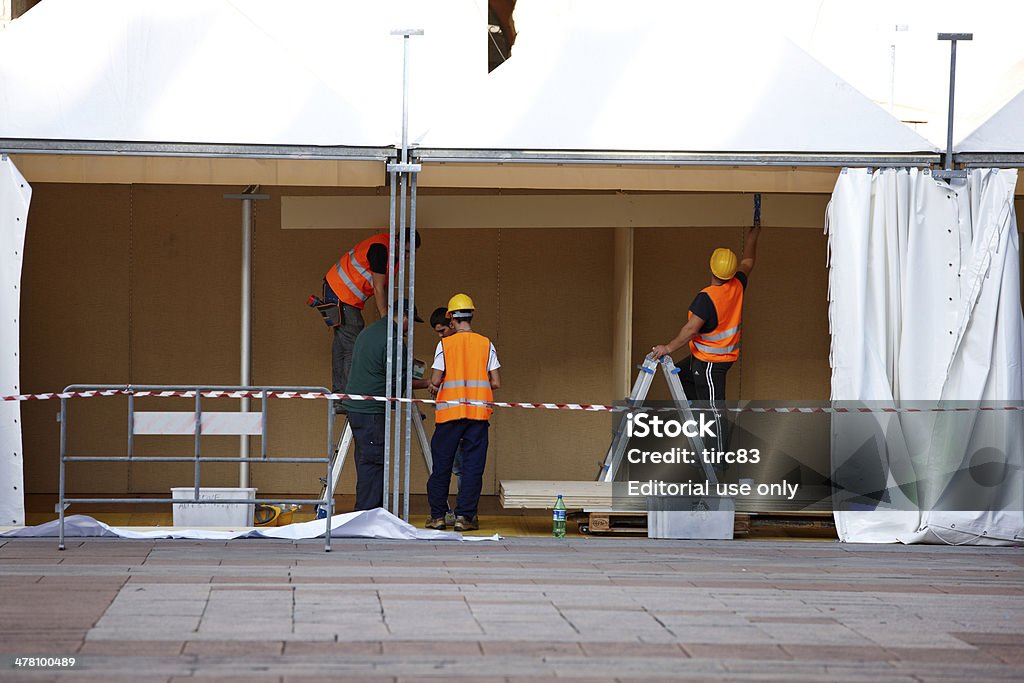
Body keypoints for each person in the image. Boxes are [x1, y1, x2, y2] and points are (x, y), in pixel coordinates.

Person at [650, 223, 762, 455]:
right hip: (707, 358)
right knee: (680, 378)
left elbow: (691, 330)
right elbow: (748, 262)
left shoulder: (707, 298)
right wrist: (753, 236)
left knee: (715, 410)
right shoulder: (737, 285)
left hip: (712, 363)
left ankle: (717, 460)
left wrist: (668, 347)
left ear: (711, 268)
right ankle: (699, 424)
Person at [340, 299, 428, 511]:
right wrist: (427, 383)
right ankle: (368, 513)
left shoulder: (371, 332)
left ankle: (366, 509)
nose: (411, 327)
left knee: (365, 461)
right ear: (404, 316)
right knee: (374, 462)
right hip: (372, 410)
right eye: (411, 322)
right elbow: (400, 379)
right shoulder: (394, 339)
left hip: (358, 406)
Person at [425, 294, 501, 532]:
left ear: (451, 318)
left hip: (449, 415)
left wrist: (434, 386)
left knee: (442, 467)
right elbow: (496, 382)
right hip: (477, 416)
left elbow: (436, 378)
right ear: (472, 315)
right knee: (472, 468)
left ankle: (438, 517)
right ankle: (464, 518)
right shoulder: (485, 343)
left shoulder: (445, 344)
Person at [322, 230, 421, 399]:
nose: (407, 257)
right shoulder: (380, 249)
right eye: (405, 251)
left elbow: (383, 287)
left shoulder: (390, 253)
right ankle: (349, 397)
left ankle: (340, 393)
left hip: (338, 292)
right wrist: (386, 319)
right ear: (396, 241)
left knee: (341, 344)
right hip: (341, 294)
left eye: (411, 253)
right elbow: (378, 288)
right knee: (352, 343)